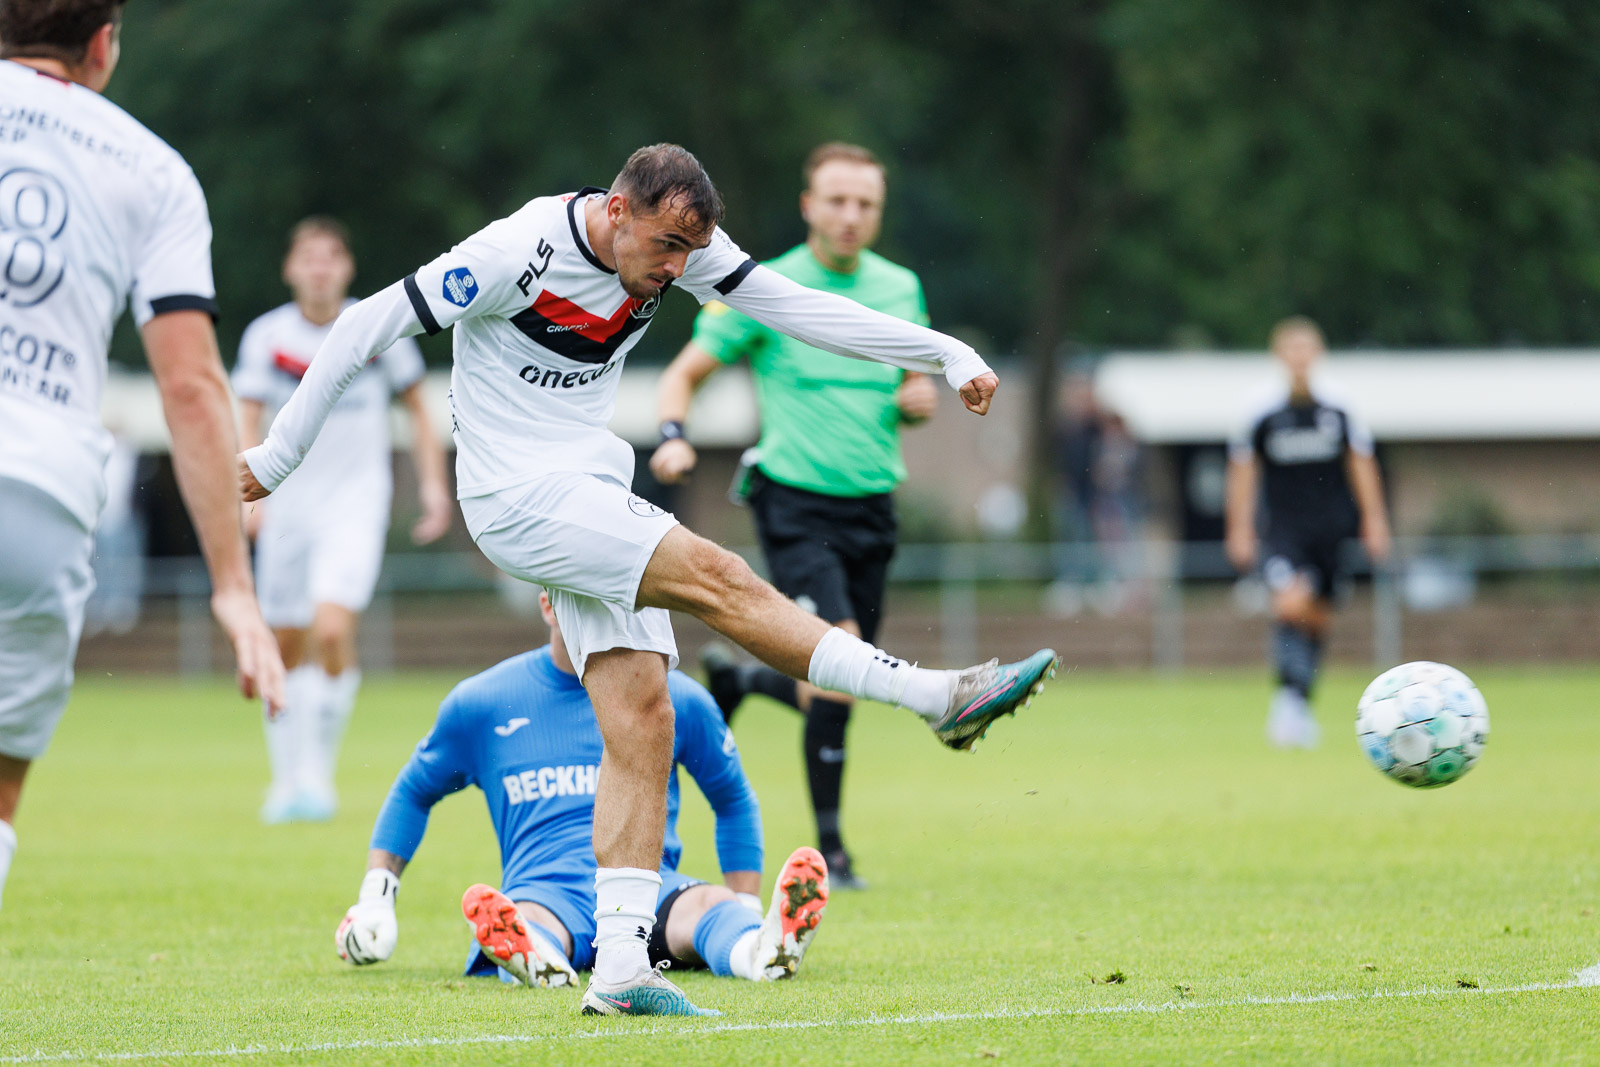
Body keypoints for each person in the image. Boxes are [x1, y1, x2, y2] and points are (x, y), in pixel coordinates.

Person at [239, 143, 1057, 1016]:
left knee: (643, 712)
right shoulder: (518, 250)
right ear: (618, 212)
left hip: (587, 485)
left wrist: (944, 351)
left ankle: (623, 967)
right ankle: (936, 695)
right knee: (719, 573)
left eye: (687, 254)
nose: (674, 271)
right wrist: (279, 454)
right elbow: (368, 322)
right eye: (664, 248)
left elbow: (803, 311)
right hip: (512, 495)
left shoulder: (684, 249)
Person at [0, 0, 283, 913]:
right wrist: (234, 588)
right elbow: (194, 386)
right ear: (101, 44)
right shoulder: (152, 168)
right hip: (37, 489)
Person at [649, 143, 940, 890]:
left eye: (865, 204)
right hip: (794, 499)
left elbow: (914, 381)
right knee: (842, 665)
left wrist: (919, 400)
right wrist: (675, 437)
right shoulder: (764, 286)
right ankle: (833, 853)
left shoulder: (901, 286)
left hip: (874, 503)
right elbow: (685, 372)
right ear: (808, 205)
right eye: (836, 201)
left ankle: (743, 682)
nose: (850, 216)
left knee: (843, 678)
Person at [335, 591, 829, 1016]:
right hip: (546, 892)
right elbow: (414, 790)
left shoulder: (674, 695)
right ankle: (535, 960)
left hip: (648, 889)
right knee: (525, 919)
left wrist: (743, 902)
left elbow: (733, 796)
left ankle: (759, 949)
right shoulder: (483, 701)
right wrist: (375, 899)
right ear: (548, 604)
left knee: (708, 905)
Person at [234, 216, 452, 824]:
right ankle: (286, 781)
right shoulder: (265, 336)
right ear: (290, 269)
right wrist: (248, 497)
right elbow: (245, 418)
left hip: (356, 501)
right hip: (287, 505)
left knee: (331, 629)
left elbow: (418, 409)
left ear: (347, 268)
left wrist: (435, 487)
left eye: (331, 257)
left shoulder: (376, 324)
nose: (320, 268)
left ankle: (318, 778)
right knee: (286, 642)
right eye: (309, 257)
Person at [1225, 317, 1392, 748]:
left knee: (1317, 617)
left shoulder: (1339, 407)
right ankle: (1287, 705)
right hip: (1283, 531)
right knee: (1289, 603)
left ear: (1317, 354)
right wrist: (1239, 527)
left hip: (1331, 531)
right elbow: (1243, 469)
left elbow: (1361, 462)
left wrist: (1375, 520)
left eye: (1306, 348)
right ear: (1279, 355)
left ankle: (1297, 700)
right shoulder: (1261, 409)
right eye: (1291, 349)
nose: (1299, 357)